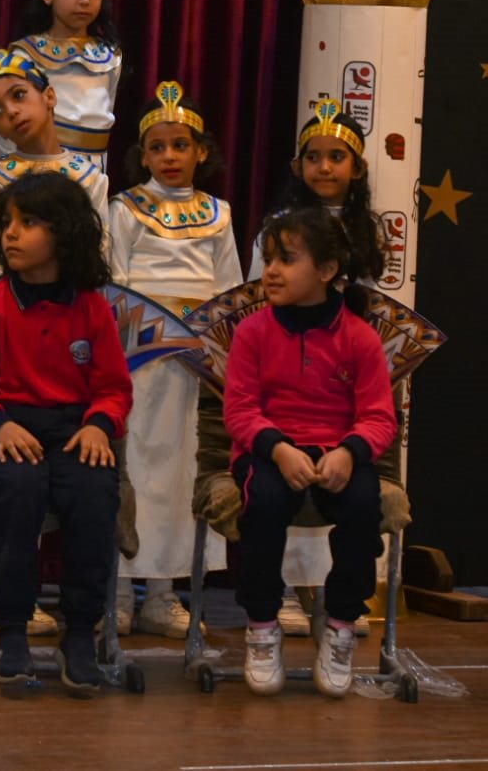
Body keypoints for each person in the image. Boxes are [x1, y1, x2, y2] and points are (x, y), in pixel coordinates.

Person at [0, 170, 132, 694]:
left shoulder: (92, 307)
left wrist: (99, 425)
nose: (10, 233)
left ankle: (80, 632)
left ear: (64, 232)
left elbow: (114, 388)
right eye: (7, 222)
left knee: (93, 495)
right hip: (8, 428)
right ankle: (11, 629)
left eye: (28, 223)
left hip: (74, 430)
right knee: (19, 491)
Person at [0, 47, 109, 636]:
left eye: (18, 96)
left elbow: (100, 259)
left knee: (83, 484)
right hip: (5, 337)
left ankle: (83, 619)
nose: (10, 114)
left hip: (69, 339)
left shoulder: (90, 178)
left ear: (49, 96)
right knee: (8, 473)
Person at [225, 208, 394, 698]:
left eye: (287, 260)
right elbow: (240, 410)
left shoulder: (360, 337)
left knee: (362, 507)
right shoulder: (252, 332)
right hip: (271, 450)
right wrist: (277, 449)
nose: (272, 271)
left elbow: (380, 417)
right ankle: (262, 626)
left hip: (337, 454)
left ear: (326, 270)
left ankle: (340, 625)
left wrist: (349, 452)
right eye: (268, 260)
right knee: (264, 504)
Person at [248, 98, 387, 636]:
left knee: (353, 493)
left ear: (359, 167)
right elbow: (256, 297)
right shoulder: (278, 227)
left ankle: (336, 607)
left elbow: (374, 306)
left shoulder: (365, 231)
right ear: (296, 166)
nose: (324, 167)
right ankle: (281, 595)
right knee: (271, 492)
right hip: (285, 361)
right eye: (313, 157)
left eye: (337, 157)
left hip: (344, 370)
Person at [108, 81, 239, 636]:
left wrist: (213, 349)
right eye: (157, 147)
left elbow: (230, 291)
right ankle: (117, 590)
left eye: (180, 145)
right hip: (140, 360)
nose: (169, 156)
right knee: (133, 469)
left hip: (194, 365)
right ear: (143, 156)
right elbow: (114, 282)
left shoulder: (218, 213)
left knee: (182, 473)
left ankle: (163, 594)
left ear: (201, 151)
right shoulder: (126, 208)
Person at [6, 0, 123, 170]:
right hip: (40, 169)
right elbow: (12, 129)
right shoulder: (26, 54)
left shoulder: (110, 56)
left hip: (94, 172)